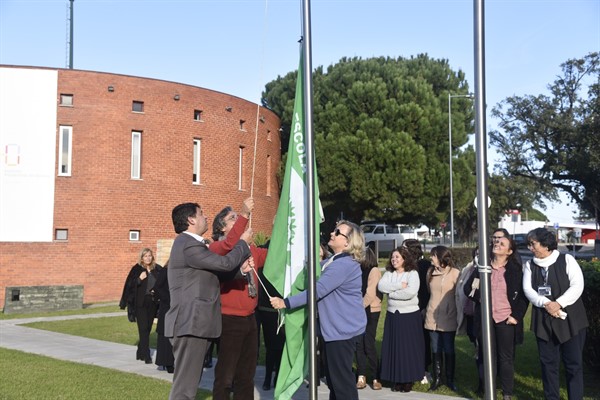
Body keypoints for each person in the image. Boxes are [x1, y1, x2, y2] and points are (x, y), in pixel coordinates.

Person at [270, 220, 367, 400]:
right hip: (336, 331)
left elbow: (317, 290)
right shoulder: (334, 260)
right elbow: (312, 271)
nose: (332, 233)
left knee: (342, 385)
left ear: (348, 242)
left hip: (341, 332)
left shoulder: (343, 265)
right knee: (335, 382)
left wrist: (286, 303)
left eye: (338, 232)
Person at [164, 202, 252, 400]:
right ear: (191, 220)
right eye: (201, 214)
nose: (205, 217)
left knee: (188, 386)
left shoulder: (192, 245)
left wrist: (240, 271)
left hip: (196, 324)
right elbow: (225, 262)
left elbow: (213, 275)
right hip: (190, 323)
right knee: (184, 390)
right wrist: (243, 244)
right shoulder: (187, 244)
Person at [209, 198, 268, 400]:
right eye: (232, 218)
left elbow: (272, 254)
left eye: (238, 216)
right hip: (229, 319)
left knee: (246, 375)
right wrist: (244, 213)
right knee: (226, 375)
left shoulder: (250, 249)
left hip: (251, 318)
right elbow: (230, 244)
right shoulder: (216, 248)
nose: (239, 219)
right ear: (222, 228)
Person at [523, 227, 588, 400]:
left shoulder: (567, 260)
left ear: (545, 244)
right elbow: (528, 289)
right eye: (529, 244)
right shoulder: (530, 265)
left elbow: (577, 286)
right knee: (548, 364)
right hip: (544, 322)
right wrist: (545, 303)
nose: (530, 248)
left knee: (573, 364)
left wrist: (559, 303)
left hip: (571, 321)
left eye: (533, 244)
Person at [465, 237, 529, 399]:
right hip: (485, 320)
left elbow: (523, 297)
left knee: (505, 358)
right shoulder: (482, 267)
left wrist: (515, 317)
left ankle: (507, 393)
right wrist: (480, 297)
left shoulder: (514, 270)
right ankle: (489, 391)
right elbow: (468, 289)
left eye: (502, 244)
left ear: (509, 251)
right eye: (496, 242)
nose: (497, 244)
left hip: (505, 319)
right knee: (487, 356)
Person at [378, 246, 424, 393]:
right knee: (394, 348)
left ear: (405, 258)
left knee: (408, 349)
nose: (394, 259)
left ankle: (408, 380)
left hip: (409, 316)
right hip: (393, 315)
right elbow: (381, 286)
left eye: (397, 257)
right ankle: (396, 379)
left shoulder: (412, 273)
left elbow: (410, 292)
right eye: (392, 257)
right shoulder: (389, 273)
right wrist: (398, 286)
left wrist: (391, 294)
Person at [424, 245, 460, 392]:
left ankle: (450, 379)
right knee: (435, 348)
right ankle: (437, 378)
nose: (431, 258)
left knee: (449, 348)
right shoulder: (430, 272)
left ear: (440, 257)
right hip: (431, 315)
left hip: (449, 316)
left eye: (433, 255)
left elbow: (459, 295)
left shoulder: (455, 273)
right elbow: (428, 291)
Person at [119, 247, 162, 364]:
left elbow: (162, 284)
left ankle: (140, 350)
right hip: (140, 303)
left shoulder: (157, 269)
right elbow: (129, 285)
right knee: (142, 328)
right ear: (141, 258)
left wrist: (156, 291)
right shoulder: (136, 269)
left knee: (147, 328)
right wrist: (139, 279)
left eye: (149, 256)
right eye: (145, 256)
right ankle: (147, 355)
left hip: (152, 303)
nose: (148, 258)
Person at [402, 238, 432, 384]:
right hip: (409, 308)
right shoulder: (407, 266)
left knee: (424, 340)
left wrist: (425, 307)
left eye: (404, 248)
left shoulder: (425, 265)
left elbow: (427, 289)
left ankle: (425, 369)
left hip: (423, 307)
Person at [355, 246, 383, 391]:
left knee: (369, 344)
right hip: (360, 310)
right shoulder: (358, 270)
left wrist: (357, 308)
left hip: (370, 311)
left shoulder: (374, 271)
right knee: (359, 344)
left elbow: (370, 293)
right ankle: (361, 375)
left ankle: (376, 377)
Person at [151, 259, 174, 373]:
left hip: (176, 307)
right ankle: (164, 362)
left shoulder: (180, 271)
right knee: (164, 334)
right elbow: (158, 287)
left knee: (172, 335)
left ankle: (171, 362)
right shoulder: (165, 271)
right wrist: (168, 298)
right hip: (166, 307)